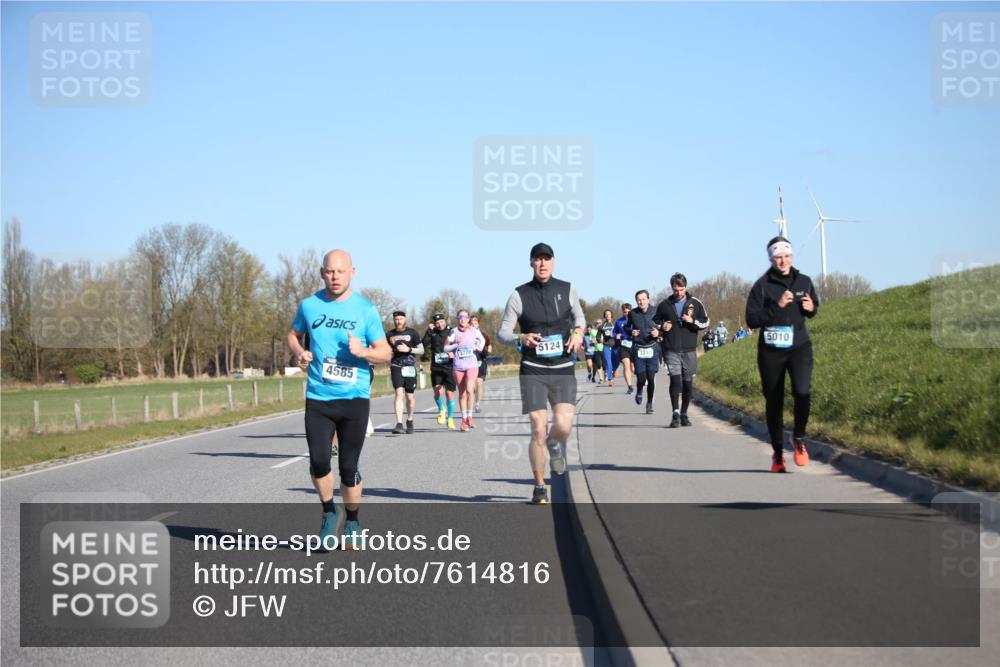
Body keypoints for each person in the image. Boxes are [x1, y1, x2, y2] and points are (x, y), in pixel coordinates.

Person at [287, 249, 391, 549]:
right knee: (319, 461)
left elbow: (385, 352)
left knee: (348, 467)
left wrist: (364, 352)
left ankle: (353, 520)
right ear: (322, 273)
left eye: (341, 271)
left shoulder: (365, 309)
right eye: (330, 271)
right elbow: (293, 335)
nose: (335, 277)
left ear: (352, 273)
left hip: (354, 398)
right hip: (318, 397)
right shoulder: (309, 306)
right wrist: (300, 352)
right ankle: (328, 512)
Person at [498, 243, 586, 505]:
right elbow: (502, 333)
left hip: (562, 368)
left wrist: (578, 334)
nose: (543, 263)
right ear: (531, 263)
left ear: (553, 262)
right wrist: (520, 338)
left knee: (563, 426)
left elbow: (580, 319)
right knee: (538, 428)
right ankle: (539, 486)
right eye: (538, 259)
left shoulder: (568, 289)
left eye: (547, 259)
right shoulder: (519, 295)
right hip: (533, 369)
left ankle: (554, 444)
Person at [746, 236, 819, 473]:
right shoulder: (762, 285)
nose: (783, 261)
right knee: (774, 401)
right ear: (771, 258)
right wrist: (776, 305)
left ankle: (799, 438)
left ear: (792, 256)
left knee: (802, 392)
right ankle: (778, 453)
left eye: (787, 256)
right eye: (778, 257)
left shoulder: (804, 281)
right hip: (771, 351)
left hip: (799, 346)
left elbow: (813, 307)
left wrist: (812, 308)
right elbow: (752, 319)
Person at [654, 272, 710, 428]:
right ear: (671, 288)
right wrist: (662, 326)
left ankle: (684, 413)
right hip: (671, 348)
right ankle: (675, 413)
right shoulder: (664, 305)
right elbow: (655, 322)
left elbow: (706, 322)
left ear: (686, 287)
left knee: (687, 383)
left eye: (681, 289)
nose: (679, 293)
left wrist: (692, 321)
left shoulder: (695, 303)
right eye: (675, 290)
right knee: (675, 380)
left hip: (689, 349)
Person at [444, 309, 487, 431]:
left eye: (465, 317)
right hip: (458, 366)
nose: (463, 319)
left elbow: (483, 340)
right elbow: (445, 348)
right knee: (462, 393)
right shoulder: (453, 331)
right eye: (460, 317)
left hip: (471, 365)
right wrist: (456, 344)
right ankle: (464, 419)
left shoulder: (474, 330)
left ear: (468, 319)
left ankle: (470, 417)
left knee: (469, 390)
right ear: (457, 319)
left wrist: (479, 347)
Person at [386, 310, 423, 434]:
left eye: (401, 319)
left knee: (410, 396)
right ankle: (399, 424)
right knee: (399, 394)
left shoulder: (412, 333)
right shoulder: (389, 334)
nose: (398, 321)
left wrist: (409, 349)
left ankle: (410, 420)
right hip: (396, 365)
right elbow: (385, 350)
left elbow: (421, 350)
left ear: (405, 319)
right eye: (396, 319)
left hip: (409, 366)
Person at [627, 290, 661, 414]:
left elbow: (663, 326)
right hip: (639, 349)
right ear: (636, 301)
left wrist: (658, 333)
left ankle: (649, 403)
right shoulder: (633, 313)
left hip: (652, 348)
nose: (641, 302)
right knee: (641, 379)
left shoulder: (656, 311)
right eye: (639, 300)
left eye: (643, 299)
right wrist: (631, 332)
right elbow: (626, 327)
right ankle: (639, 390)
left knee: (651, 378)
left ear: (648, 299)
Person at [422, 313, 458, 430]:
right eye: (437, 323)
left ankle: (450, 419)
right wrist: (429, 331)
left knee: (449, 394)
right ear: (434, 324)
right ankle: (442, 409)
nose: (440, 324)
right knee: (437, 391)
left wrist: (454, 353)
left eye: (441, 322)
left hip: (449, 367)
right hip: (436, 367)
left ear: (445, 321)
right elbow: (423, 345)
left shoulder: (452, 331)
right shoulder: (432, 332)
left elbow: (460, 345)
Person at [470, 315, 492, 413]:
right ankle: (471, 400)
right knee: (472, 386)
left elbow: (489, 345)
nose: (473, 324)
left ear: (478, 324)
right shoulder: (466, 334)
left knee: (479, 383)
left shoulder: (484, 335)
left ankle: (477, 404)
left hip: (480, 361)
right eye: (471, 323)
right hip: (469, 362)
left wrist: (488, 352)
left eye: (475, 322)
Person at [613, 303, 635, 394]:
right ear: (622, 311)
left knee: (634, 368)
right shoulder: (619, 321)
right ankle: (630, 387)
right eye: (625, 312)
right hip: (623, 345)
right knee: (626, 365)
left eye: (628, 312)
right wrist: (616, 335)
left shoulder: (635, 319)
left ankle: (642, 379)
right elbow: (614, 332)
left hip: (634, 345)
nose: (626, 313)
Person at [598, 309, 617, 386]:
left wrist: (615, 335)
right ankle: (610, 379)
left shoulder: (615, 324)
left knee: (615, 362)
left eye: (609, 314)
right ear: (604, 316)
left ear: (611, 315)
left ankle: (614, 370)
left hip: (615, 345)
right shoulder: (602, 326)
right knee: (608, 362)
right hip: (606, 345)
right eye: (606, 314)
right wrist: (599, 340)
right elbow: (598, 336)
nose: (607, 315)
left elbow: (620, 332)